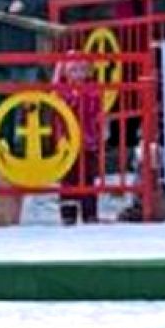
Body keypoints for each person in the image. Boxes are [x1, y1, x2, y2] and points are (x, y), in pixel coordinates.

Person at [53, 55, 105, 225]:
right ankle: (68, 214)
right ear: (65, 73)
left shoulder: (93, 89)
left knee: (88, 178)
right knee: (68, 179)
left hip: (88, 141)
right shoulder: (61, 90)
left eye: (82, 69)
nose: (78, 74)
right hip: (67, 143)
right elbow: (57, 104)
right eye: (73, 70)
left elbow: (94, 108)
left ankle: (90, 213)